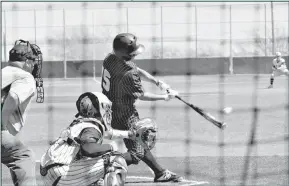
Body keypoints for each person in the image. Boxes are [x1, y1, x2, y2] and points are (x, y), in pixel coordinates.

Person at [101, 33, 183, 182]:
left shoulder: (110, 59)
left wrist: (158, 82)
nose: (134, 56)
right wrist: (165, 97)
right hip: (124, 113)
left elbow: (136, 69)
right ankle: (101, 166)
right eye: (132, 54)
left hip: (108, 108)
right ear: (125, 55)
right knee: (136, 153)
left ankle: (160, 173)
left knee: (138, 142)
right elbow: (142, 95)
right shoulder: (128, 74)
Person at [40, 92, 154, 186]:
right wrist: (112, 147)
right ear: (99, 108)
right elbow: (88, 149)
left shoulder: (79, 124)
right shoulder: (92, 127)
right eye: (106, 108)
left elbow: (108, 133)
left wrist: (129, 134)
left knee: (94, 166)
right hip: (63, 174)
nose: (108, 111)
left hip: (48, 175)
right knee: (116, 159)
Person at [1, 39, 44, 186]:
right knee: (23, 156)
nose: (35, 65)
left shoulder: (3, 73)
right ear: (27, 61)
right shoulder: (25, 76)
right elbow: (13, 96)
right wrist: (2, 122)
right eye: (33, 61)